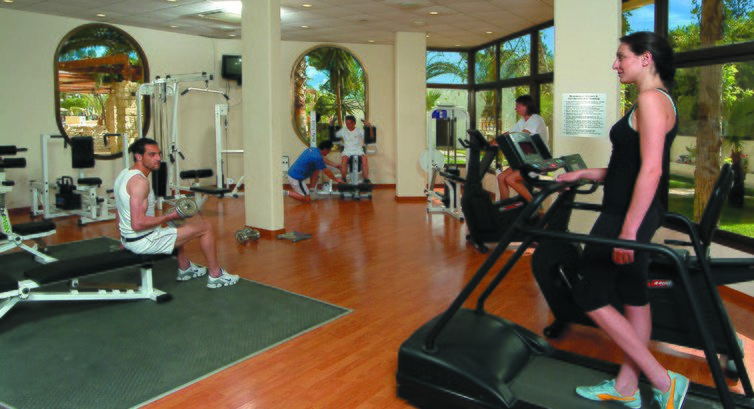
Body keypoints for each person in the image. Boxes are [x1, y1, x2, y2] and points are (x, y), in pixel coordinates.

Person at [556, 32, 687, 408]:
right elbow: (629, 167)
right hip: (635, 210)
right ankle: (627, 387)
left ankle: (663, 381)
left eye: (621, 57)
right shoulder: (658, 99)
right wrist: (586, 173)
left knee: (588, 294)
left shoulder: (650, 99)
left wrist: (628, 231)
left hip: (626, 215)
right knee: (634, 296)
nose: (615, 65)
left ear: (645, 59)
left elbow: (651, 170)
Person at [113, 138, 239, 289]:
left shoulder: (124, 175)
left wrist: (123, 238)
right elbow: (138, 224)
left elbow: (119, 210)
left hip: (130, 239)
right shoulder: (140, 183)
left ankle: (184, 267)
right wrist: (169, 216)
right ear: (139, 156)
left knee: (176, 224)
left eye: (159, 154)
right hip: (144, 241)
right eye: (152, 155)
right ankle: (216, 275)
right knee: (205, 226)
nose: (158, 158)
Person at [496, 95, 549, 202]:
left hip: (538, 161)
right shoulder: (522, 121)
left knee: (510, 179)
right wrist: (492, 142)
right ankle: (503, 207)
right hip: (526, 160)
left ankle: (535, 206)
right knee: (501, 177)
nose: (516, 108)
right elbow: (508, 133)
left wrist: (505, 139)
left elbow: (523, 134)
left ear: (527, 106)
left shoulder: (536, 119)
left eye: (518, 106)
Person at [336, 115, 371, 183]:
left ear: (354, 123)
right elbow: (334, 135)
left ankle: (366, 179)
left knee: (364, 159)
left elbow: (369, 138)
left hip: (358, 151)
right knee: (344, 160)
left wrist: (369, 127)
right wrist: (331, 126)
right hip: (347, 151)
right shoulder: (343, 130)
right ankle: (343, 179)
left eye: (350, 123)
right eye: (347, 123)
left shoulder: (359, 130)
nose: (348, 125)